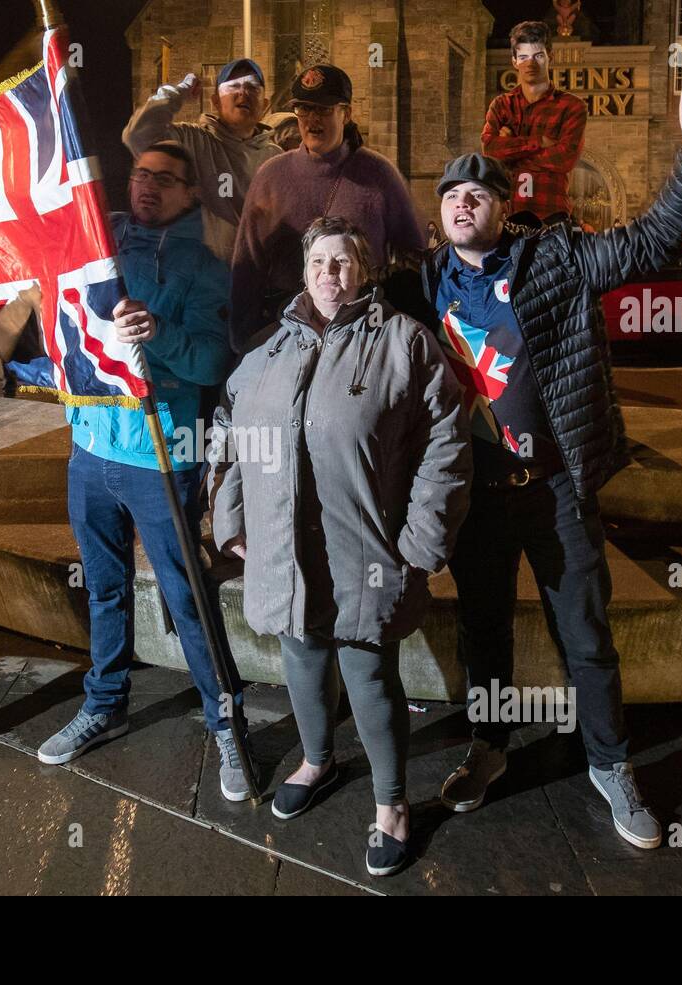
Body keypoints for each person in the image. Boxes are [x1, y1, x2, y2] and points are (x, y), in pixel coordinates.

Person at [422, 78, 682, 851]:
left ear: (503, 205)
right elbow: (335, 293)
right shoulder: (421, 285)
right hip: (477, 497)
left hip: (555, 487)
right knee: (483, 628)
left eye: (477, 192)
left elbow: (651, 241)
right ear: (440, 212)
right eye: (451, 194)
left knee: (583, 630)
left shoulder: (555, 255)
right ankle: (490, 747)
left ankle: (611, 762)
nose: (463, 203)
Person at [210, 216, 470, 876]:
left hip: (366, 553)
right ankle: (317, 759)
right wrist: (232, 518)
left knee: (367, 670)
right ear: (304, 273)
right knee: (299, 652)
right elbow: (229, 432)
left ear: (366, 271)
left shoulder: (405, 343)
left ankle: (391, 805)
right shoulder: (268, 353)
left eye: (345, 261)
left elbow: (447, 440)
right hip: (283, 548)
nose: (330, 272)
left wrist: (420, 537)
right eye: (319, 261)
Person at [35, 142, 253, 801]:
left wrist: (156, 331)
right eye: (140, 175)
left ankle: (227, 722)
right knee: (103, 587)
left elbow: (213, 362)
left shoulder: (205, 265)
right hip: (90, 451)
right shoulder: (97, 244)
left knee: (186, 592)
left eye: (166, 179)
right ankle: (104, 702)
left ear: (192, 192)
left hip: (161, 456)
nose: (149, 186)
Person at [231, 64, 425, 353]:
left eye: (323, 110)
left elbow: (414, 257)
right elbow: (248, 265)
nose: (312, 119)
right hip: (286, 333)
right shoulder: (271, 176)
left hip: (359, 333)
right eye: (304, 110)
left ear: (345, 114)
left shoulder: (379, 174)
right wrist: (243, 339)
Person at [123, 59, 282, 263]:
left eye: (252, 86)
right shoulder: (192, 140)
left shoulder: (275, 157)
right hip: (199, 277)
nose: (243, 93)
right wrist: (177, 93)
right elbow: (138, 135)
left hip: (256, 276)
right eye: (233, 86)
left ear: (265, 104)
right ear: (215, 101)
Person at [481, 20, 586, 224]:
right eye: (523, 57)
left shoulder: (572, 106)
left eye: (538, 56)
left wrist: (511, 153)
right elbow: (490, 151)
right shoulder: (501, 105)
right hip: (507, 214)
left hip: (551, 214)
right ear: (514, 61)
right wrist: (539, 142)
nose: (530, 64)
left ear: (550, 57)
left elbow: (565, 159)